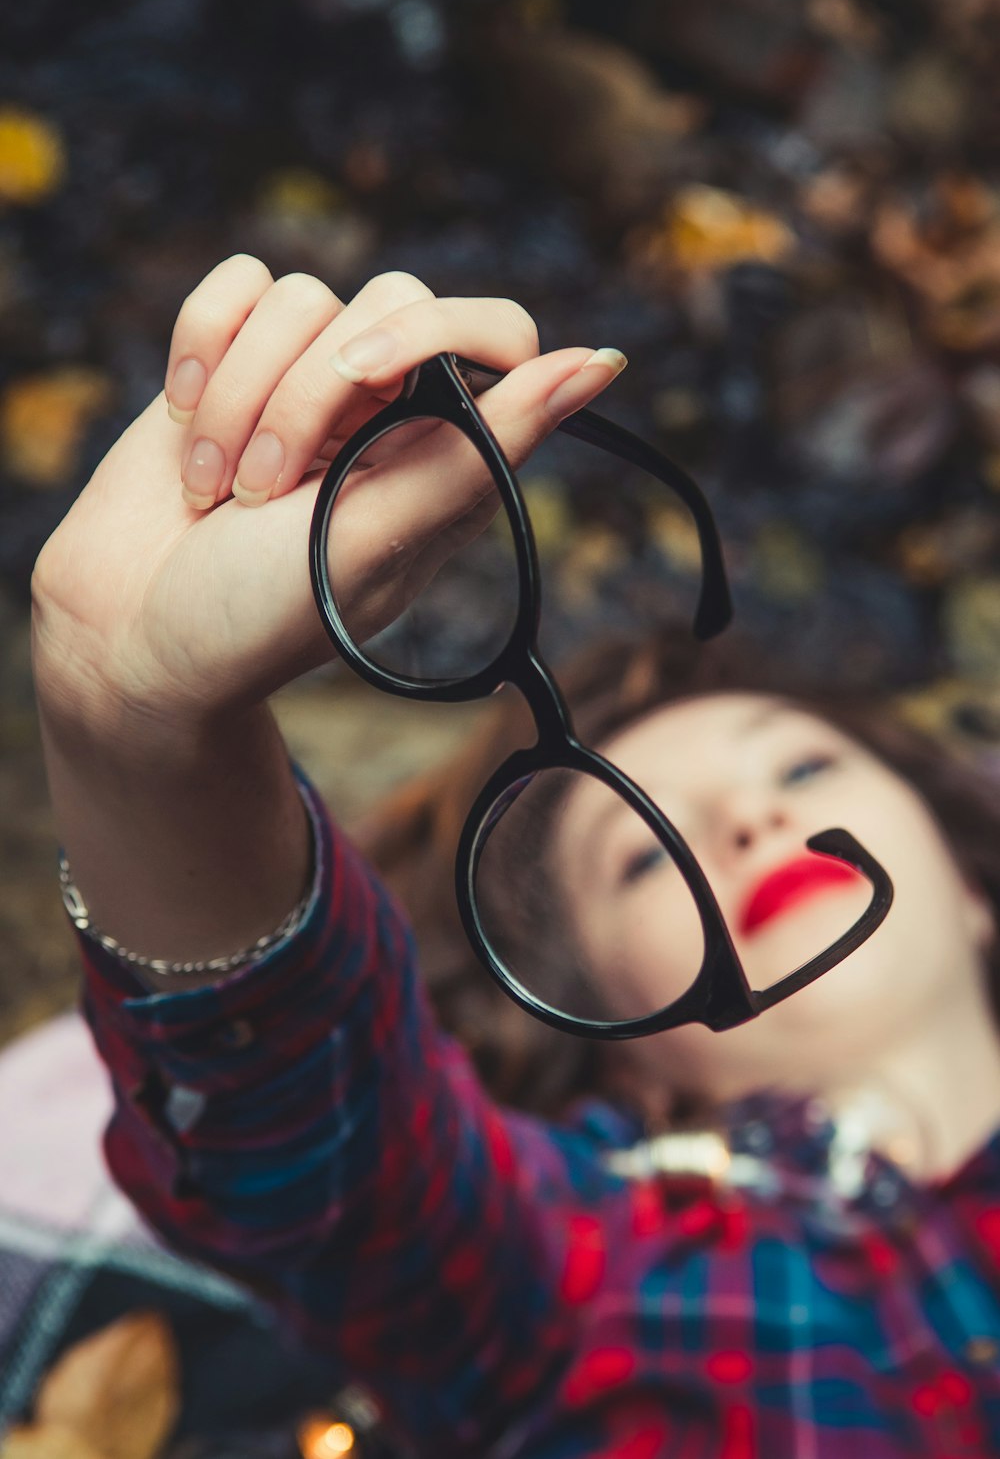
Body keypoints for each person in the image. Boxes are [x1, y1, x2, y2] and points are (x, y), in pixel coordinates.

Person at [30, 258, 1000, 1458]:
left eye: (802, 775)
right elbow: (340, 1172)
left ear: (968, 889)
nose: (750, 825)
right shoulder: (598, 1279)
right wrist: (142, 725)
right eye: (647, 857)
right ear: (622, 1045)